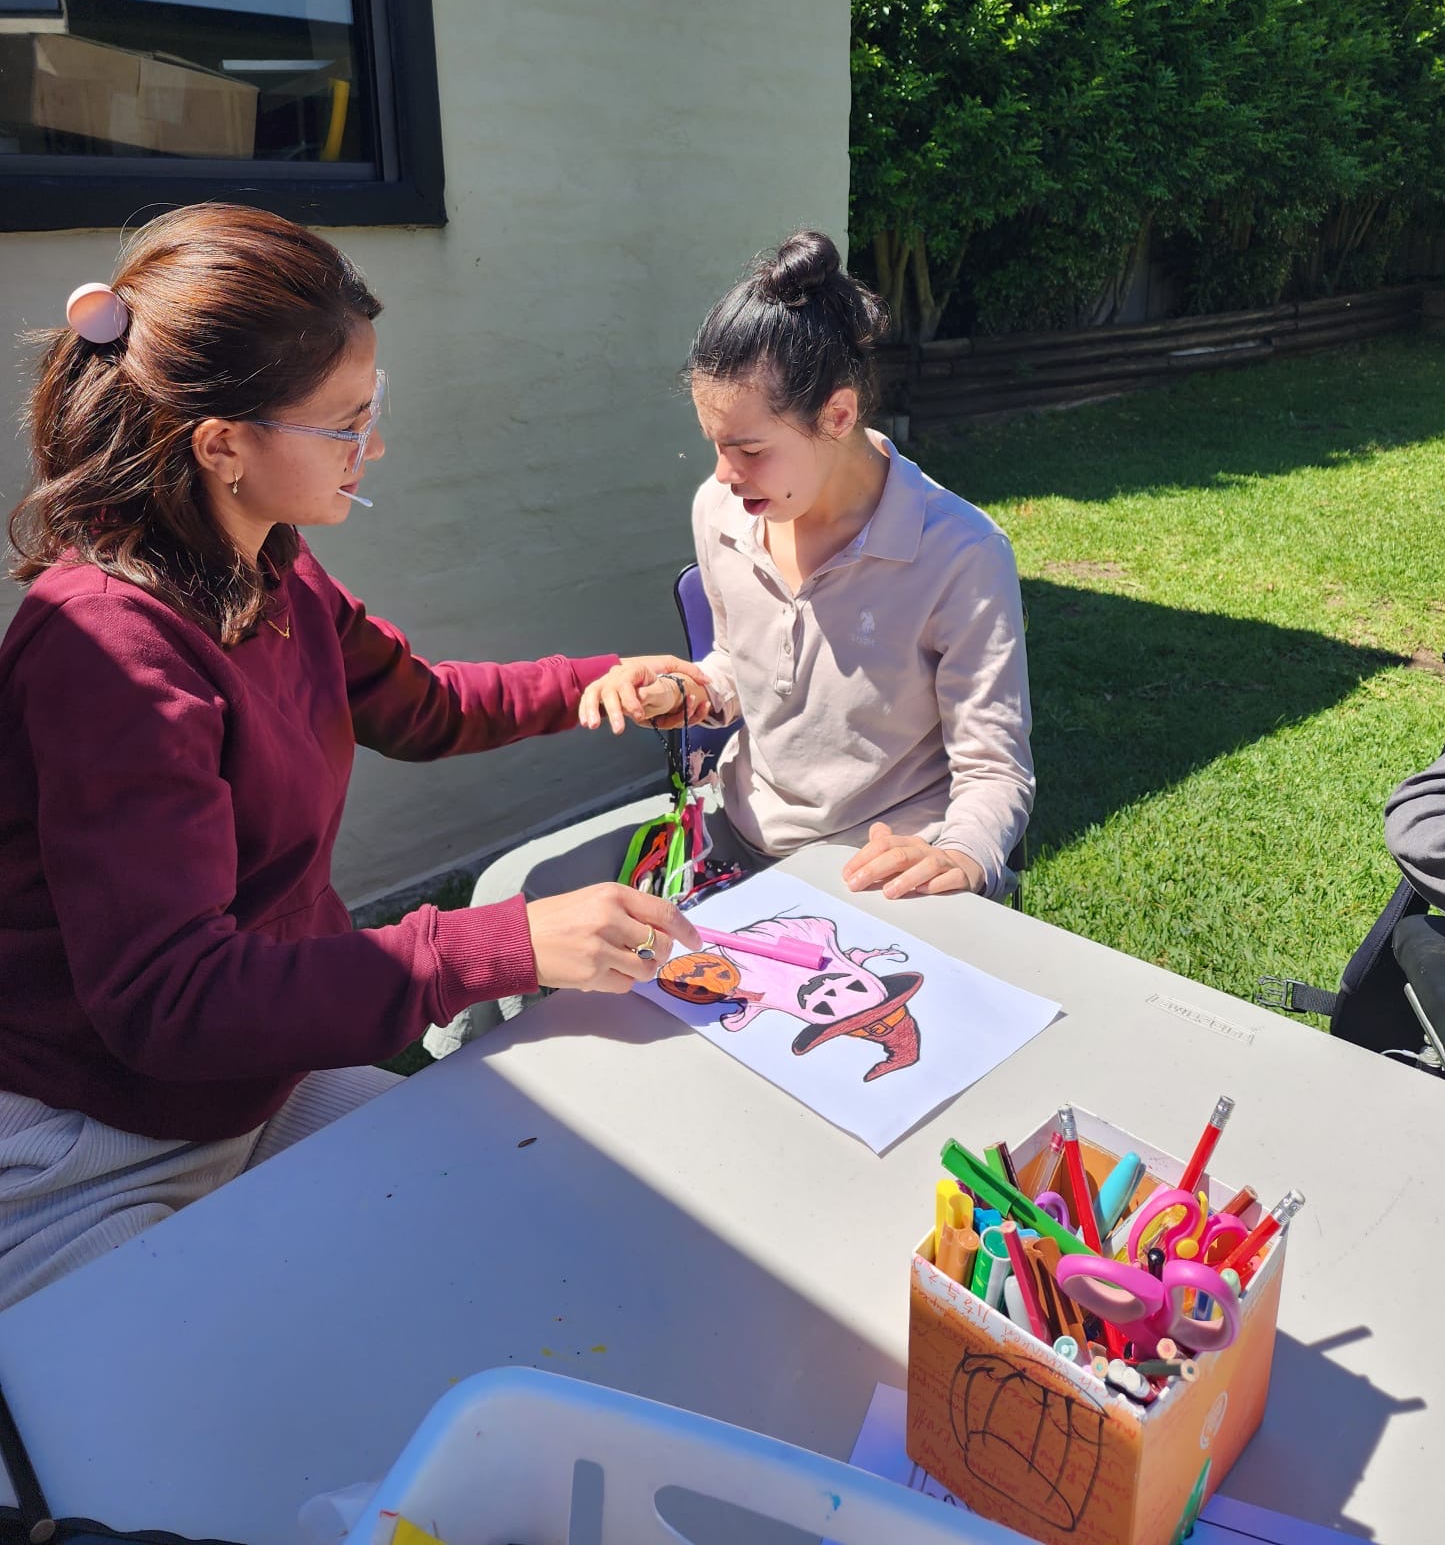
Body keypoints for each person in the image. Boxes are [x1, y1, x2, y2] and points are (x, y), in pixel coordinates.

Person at [0, 203, 696, 1309]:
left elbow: (423, 707)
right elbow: (168, 997)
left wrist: (594, 680)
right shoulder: (108, 651)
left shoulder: (274, 565)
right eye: (346, 421)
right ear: (223, 444)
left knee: (515, 1232)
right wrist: (502, 940)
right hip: (96, 1137)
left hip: (258, 1075)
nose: (373, 445)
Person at [428, 230, 1033, 1058]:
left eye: (748, 449)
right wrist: (694, 693)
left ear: (839, 415)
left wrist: (963, 854)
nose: (722, 475)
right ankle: (479, 1119)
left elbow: (995, 771)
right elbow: (739, 671)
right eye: (715, 443)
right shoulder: (725, 511)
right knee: (509, 895)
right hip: (731, 831)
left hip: (866, 870)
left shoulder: (959, 552)